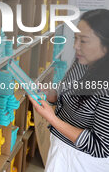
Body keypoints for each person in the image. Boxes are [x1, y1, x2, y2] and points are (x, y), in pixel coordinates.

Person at [28, 9, 109, 172]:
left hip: (83, 161)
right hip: (60, 146)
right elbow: (68, 96)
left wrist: (52, 118)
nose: (75, 46)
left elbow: (100, 146)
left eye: (83, 41)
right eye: (75, 38)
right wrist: (51, 94)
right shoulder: (83, 60)